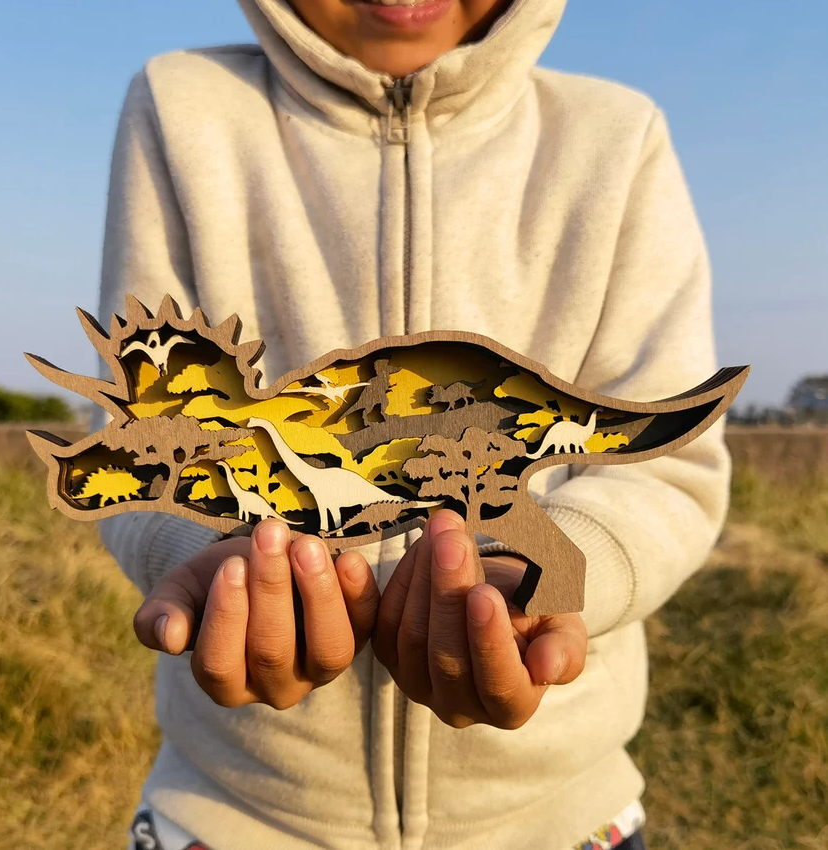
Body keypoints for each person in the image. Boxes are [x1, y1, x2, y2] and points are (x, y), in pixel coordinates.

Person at [97, 1, 731, 848]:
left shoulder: (615, 134)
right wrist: (209, 564)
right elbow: (145, 434)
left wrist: (551, 584)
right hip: (238, 809)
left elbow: (668, 472)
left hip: (558, 813)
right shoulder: (183, 104)